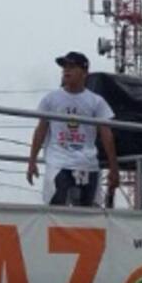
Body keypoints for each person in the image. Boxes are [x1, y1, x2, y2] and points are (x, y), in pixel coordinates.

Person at [26, 51, 118, 207]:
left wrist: (113, 168)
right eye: (64, 67)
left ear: (84, 72)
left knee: (87, 211)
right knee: (57, 205)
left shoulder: (96, 101)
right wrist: (32, 160)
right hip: (59, 161)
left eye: (71, 67)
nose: (66, 70)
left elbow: (106, 135)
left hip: (87, 161)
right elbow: (40, 130)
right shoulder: (51, 99)